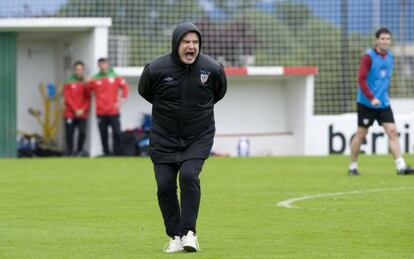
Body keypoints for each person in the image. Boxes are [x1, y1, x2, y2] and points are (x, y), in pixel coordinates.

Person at [138, 22, 227, 253]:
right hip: (163, 138)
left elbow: (218, 93)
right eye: (186, 42)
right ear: (176, 44)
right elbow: (145, 92)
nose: (191, 46)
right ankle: (175, 235)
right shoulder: (156, 69)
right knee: (165, 185)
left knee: (188, 176)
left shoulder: (213, 69)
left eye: (195, 42)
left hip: (198, 136)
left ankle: (189, 233)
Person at [348, 27, 414, 176]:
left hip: (383, 103)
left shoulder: (390, 57)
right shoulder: (368, 57)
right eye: (382, 39)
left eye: (387, 39)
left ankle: (400, 166)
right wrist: (372, 98)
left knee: (392, 132)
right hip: (366, 103)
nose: (385, 41)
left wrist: (381, 97)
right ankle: (352, 166)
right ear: (377, 40)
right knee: (361, 134)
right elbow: (361, 79)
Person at [88, 58, 129, 156]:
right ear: (98, 66)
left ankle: (119, 153)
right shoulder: (95, 78)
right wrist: (88, 82)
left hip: (113, 111)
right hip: (100, 111)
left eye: (105, 64)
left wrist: (121, 100)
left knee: (117, 133)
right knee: (103, 133)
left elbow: (125, 87)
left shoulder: (115, 76)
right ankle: (106, 153)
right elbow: (87, 91)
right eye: (101, 64)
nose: (103, 66)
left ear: (108, 64)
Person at [63, 61, 90, 156]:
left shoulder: (86, 83)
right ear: (74, 70)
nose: (79, 71)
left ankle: (79, 151)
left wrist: (82, 109)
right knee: (69, 134)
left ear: (83, 70)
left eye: (81, 69)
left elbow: (88, 97)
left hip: (82, 113)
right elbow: (67, 98)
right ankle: (70, 152)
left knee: (82, 133)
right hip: (70, 113)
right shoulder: (68, 82)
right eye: (77, 69)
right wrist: (75, 109)